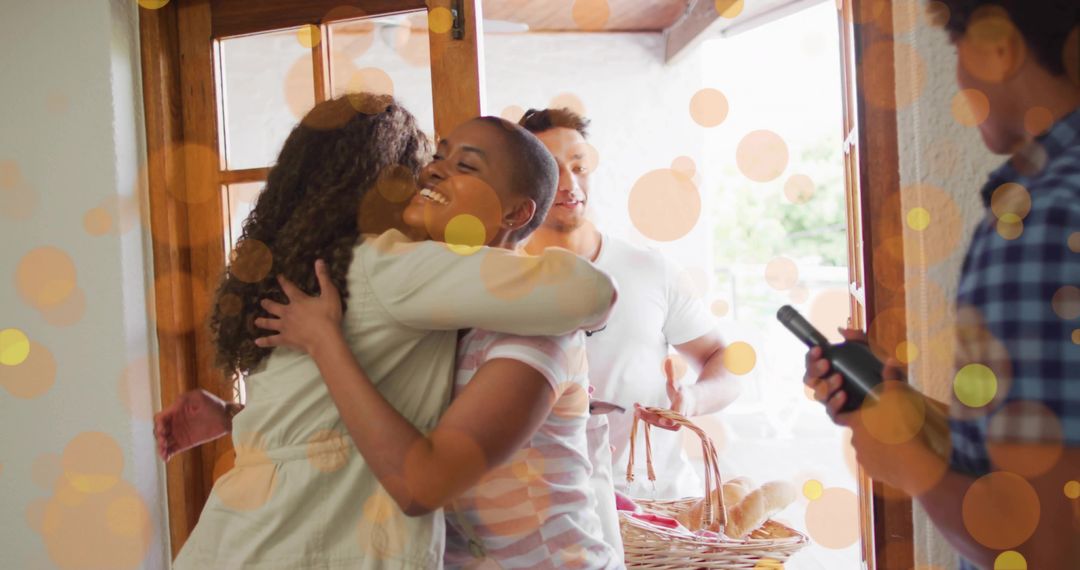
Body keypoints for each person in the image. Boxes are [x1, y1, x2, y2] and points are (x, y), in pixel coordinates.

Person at [156, 94, 617, 569]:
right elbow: (359, 414)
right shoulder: (404, 289)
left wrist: (324, 343)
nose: (432, 173)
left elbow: (421, 482)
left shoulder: (535, 326)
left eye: (465, 166)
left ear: (516, 213)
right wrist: (237, 417)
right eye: (435, 158)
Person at [804, 2, 1080, 568]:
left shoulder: (1041, 224)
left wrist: (909, 463)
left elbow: (1045, 549)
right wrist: (914, 418)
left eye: (957, 50)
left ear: (997, 47)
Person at [518, 108, 742, 501]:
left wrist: (692, 399)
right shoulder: (503, 281)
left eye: (579, 166)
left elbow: (724, 360)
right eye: (552, 169)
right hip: (553, 510)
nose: (570, 183)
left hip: (659, 507)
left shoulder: (650, 269)